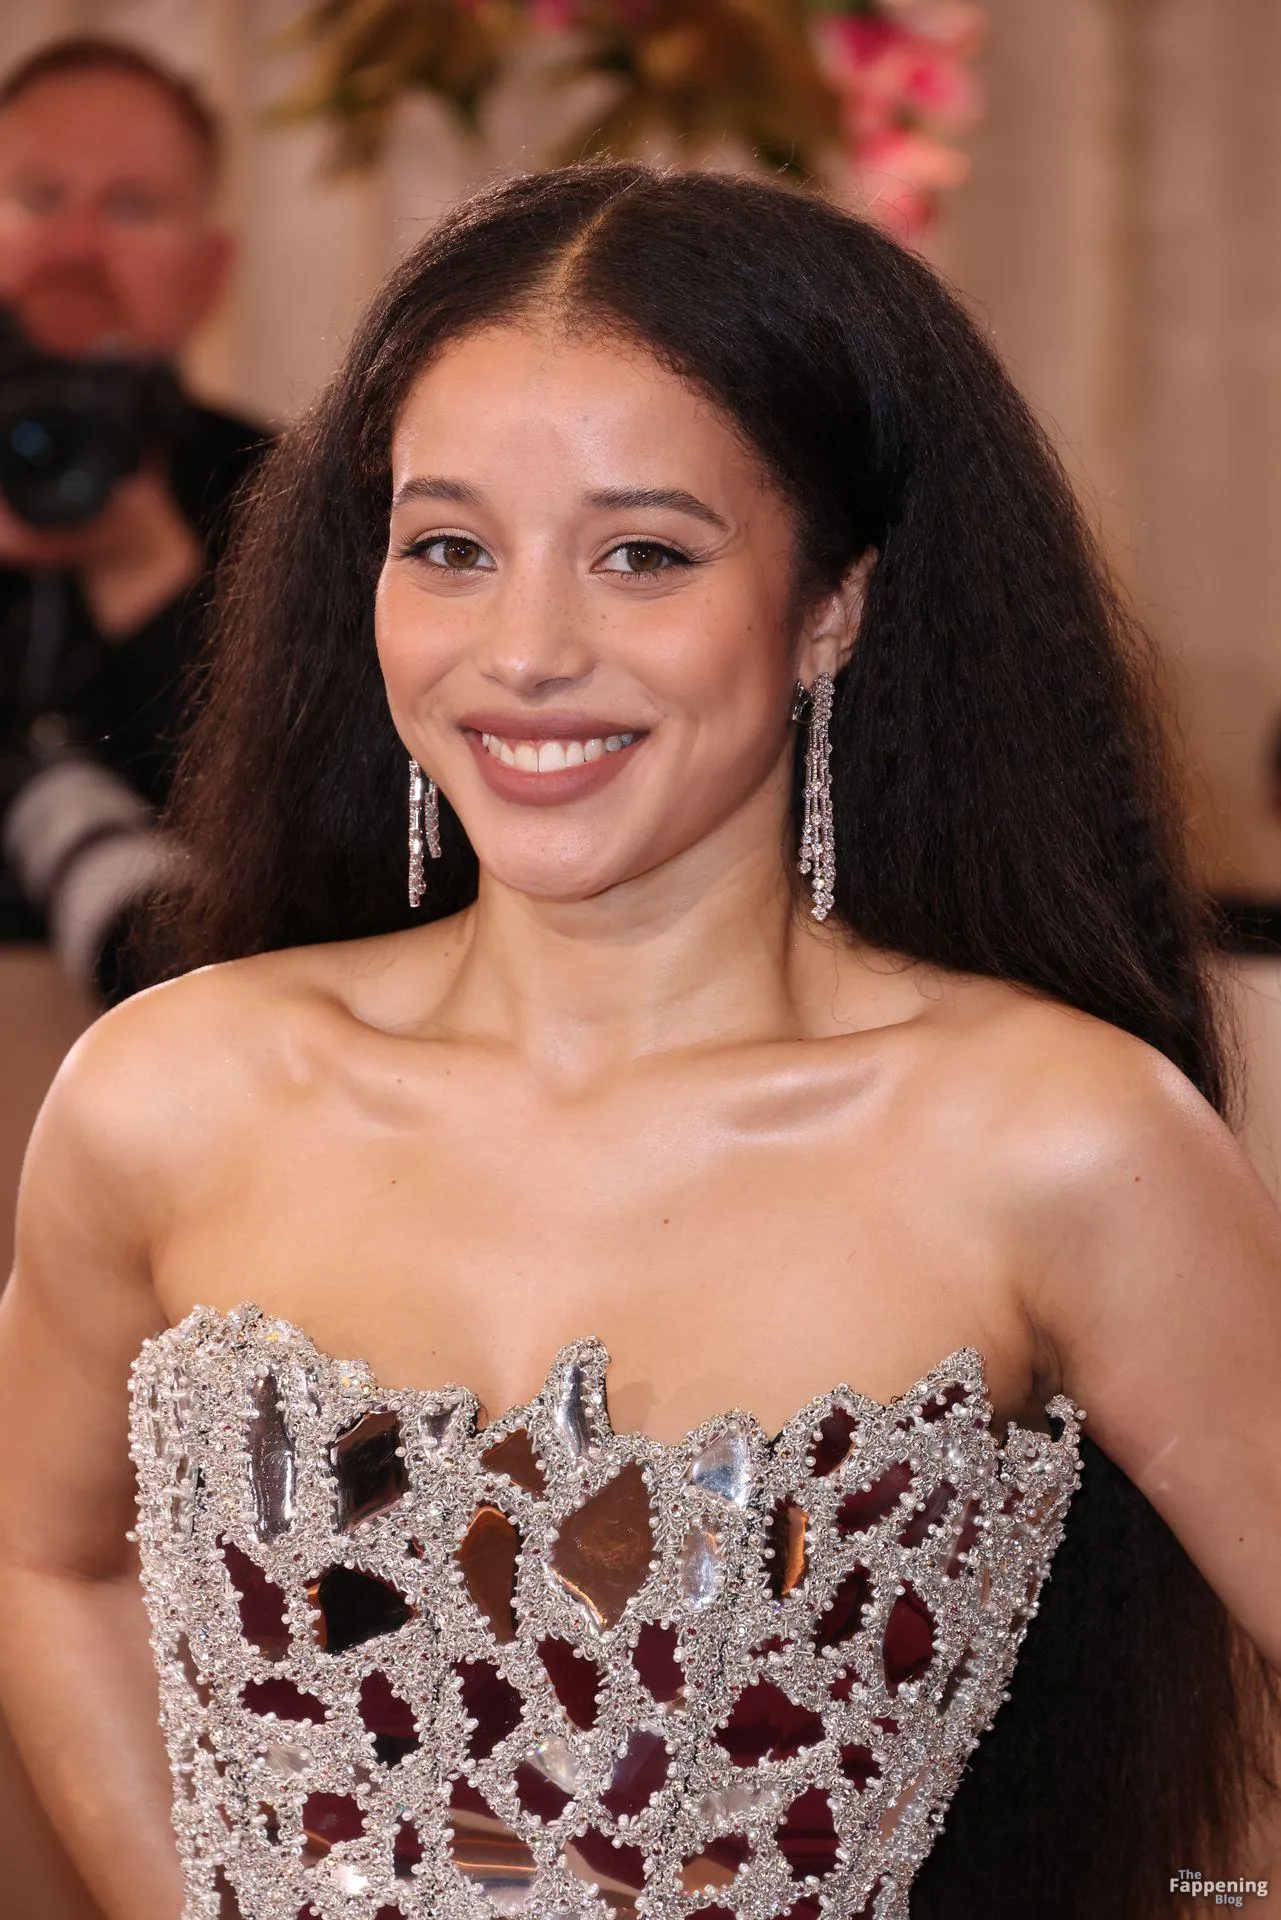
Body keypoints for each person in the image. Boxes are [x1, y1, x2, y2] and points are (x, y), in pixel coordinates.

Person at [0, 162, 1277, 1920]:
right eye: (450, 549)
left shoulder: (1054, 1138)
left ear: (832, 607)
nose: (525, 650)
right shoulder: (168, 1093)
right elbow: (47, 1560)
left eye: (644, 555)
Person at [0, 36, 266, 1002]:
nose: (75, 248)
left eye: (131, 207)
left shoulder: (291, 493)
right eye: (37, 198)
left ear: (210, 271)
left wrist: (151, 578)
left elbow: (322, 837)